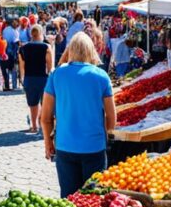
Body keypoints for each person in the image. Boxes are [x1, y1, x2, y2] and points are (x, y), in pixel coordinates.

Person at [41, 33, 116, 197]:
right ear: (91, 51)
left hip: (65, 146)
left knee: (69, 201)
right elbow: (112, 117)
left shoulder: (57, 75)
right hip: (94, 147)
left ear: (70, 50)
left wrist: (48, 142)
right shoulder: (101, 76)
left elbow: (45, 117)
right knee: (93, 200)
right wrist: (105, 133)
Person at [19, 25, 53, 134]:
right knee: (45, 104)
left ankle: (34, 126)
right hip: (43, 78)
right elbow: (50, 67)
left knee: (32, 104)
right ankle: (43, 124)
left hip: (29, 78)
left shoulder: (23, 48)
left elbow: (22, 67)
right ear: (41, 33)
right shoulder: (46, 47)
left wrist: (23, 79)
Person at [1, 19, 20, 91]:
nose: (16, 25)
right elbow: (16, 42)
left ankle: (7, 85)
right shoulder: (14, 31)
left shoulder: (5, 29)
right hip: (12, 51)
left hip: (5, 51)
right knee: (13, 68)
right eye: (15, 23)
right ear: (12, 23)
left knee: (7, 69)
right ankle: (14, 86)